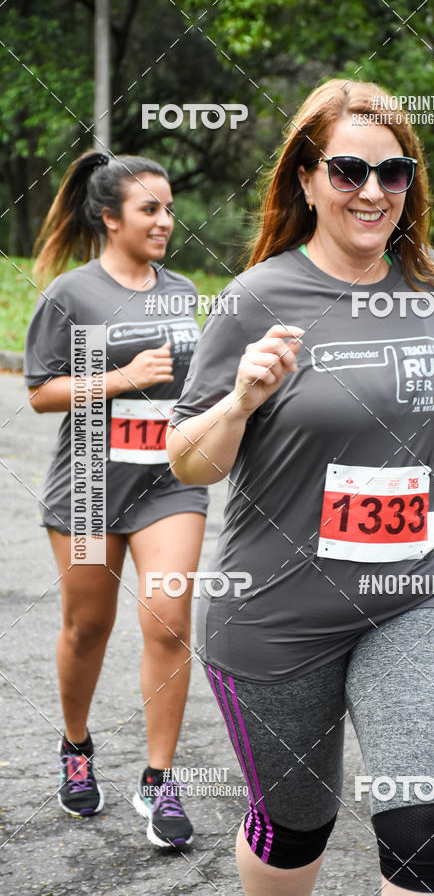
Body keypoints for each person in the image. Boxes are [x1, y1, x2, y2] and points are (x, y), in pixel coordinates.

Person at [167, 80, 434, 894]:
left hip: (416, 597)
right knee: (294, 831)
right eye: (348, 170)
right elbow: (188, 460)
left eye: (395, 173)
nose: (374, 191)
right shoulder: (257, 298)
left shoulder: (426, 288)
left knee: (422, 829)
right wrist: (241, 400)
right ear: (307, 180)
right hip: (276, 617)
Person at [24, 151, 209, 848]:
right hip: (90, 485)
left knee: (167, 622)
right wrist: (122, 376)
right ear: (110, 217)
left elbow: (199, 386)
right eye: (150, 209)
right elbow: (40, 390)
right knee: (88, 627)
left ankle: (160, 781)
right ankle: (76, 746)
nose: (166, 220)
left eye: (168, 208)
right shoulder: (71, 294)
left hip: (170, 481)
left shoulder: (186, 290)